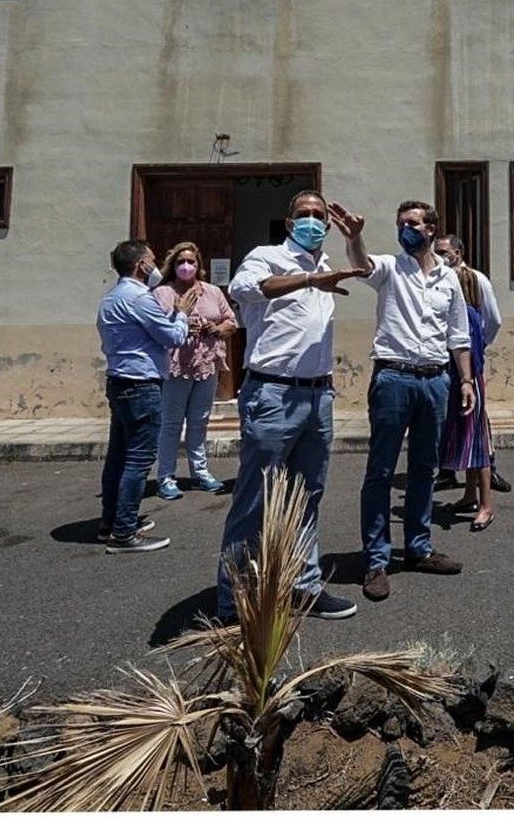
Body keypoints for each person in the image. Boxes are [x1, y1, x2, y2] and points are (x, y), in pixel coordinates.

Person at [216, 190, 368, 622]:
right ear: (288, 223)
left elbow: (366, 267)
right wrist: (306, 281)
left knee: (306, 496)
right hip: (272, 394)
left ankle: (303, 585)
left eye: (319, 216)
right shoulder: (267, 256)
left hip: (318, 395)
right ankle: (233, 599)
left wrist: (353, 238)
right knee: (255, 500)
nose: (312, 221)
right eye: (304, 214)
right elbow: (244, 290)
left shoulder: (324, 265)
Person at [328, 199, 473, 603]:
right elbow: (362, 265)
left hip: (435, 380)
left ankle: (418, 548)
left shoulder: (448, 279)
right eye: (400, 223)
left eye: (411, 223)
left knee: (425, 470)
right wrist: (354, 238)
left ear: (431, 229)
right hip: (393, 378)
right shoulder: (391, 268)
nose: (404, 229)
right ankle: (376, 559)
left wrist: (465, 381)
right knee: (381, 469)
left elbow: (457, 335)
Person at [96, 239, 198, 553]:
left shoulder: (111, 297)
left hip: (120, 381)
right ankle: (124, 533)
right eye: (152, 260)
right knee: (138, 460)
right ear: (141, 265)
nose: (156, 267)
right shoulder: (140, 298)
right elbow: (173, 337)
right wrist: (181, 313)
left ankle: (112, 521)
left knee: (119, 456)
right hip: (141, 385)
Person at [151, 241, 237, 499]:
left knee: (200, 421)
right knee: (171, 423)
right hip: (176, 366)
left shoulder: (212, 292)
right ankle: (165, 476)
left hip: (206, 364)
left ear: (199, 265)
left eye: (191, 261)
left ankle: (200, 472)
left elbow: (230, 321)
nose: (186, 266)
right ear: (172, 265)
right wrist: (181, 318)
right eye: (180, 262)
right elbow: (155, 327)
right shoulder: (162, 293)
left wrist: (217, 329)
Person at [433, 234, 512, 494]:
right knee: (446, 414)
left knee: (473, 412)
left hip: (468, 358)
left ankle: (488, 466)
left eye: (444, 251)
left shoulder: (476, 279)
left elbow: (493, 319)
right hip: (441, 357)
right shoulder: (435, 278)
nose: (440, 256)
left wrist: (477, 346)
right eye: (437, 251)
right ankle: (448, 469)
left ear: (459, 252)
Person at [438, 263, 495, 531]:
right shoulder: (467, 315)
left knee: (478, 444)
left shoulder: (468, 316)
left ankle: (486, 505)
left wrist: (467, 381)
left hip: (469, 383)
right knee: (467, 440)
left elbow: (469, 353)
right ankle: (470, 495)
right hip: (462, 382)